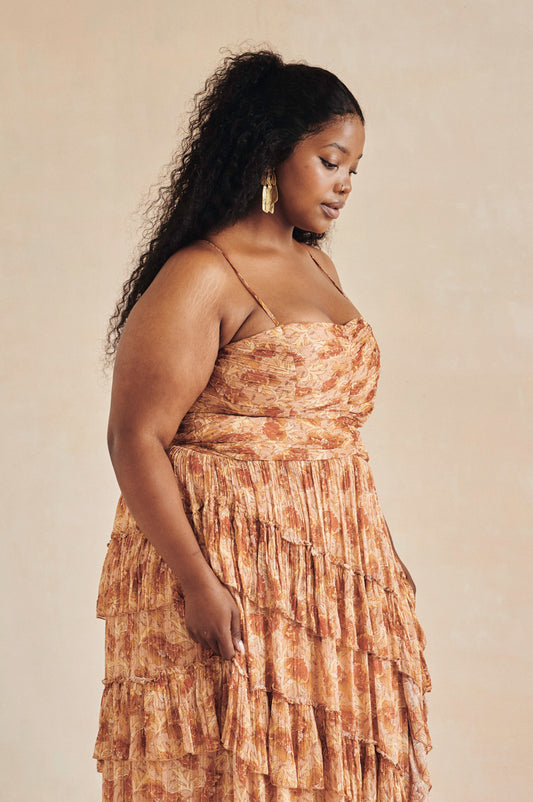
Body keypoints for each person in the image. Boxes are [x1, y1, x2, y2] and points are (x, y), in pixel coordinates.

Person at [92, 49, 432, 801]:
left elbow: (327, 437)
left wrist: (377, 565)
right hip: (229, 570)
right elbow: (135, 437)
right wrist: (197, 583)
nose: (344, 184)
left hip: (330, 574)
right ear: (272, 152)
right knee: (237, 771)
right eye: (330, 161)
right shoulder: (204, 273)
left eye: (354, 169)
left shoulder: (318, 266)